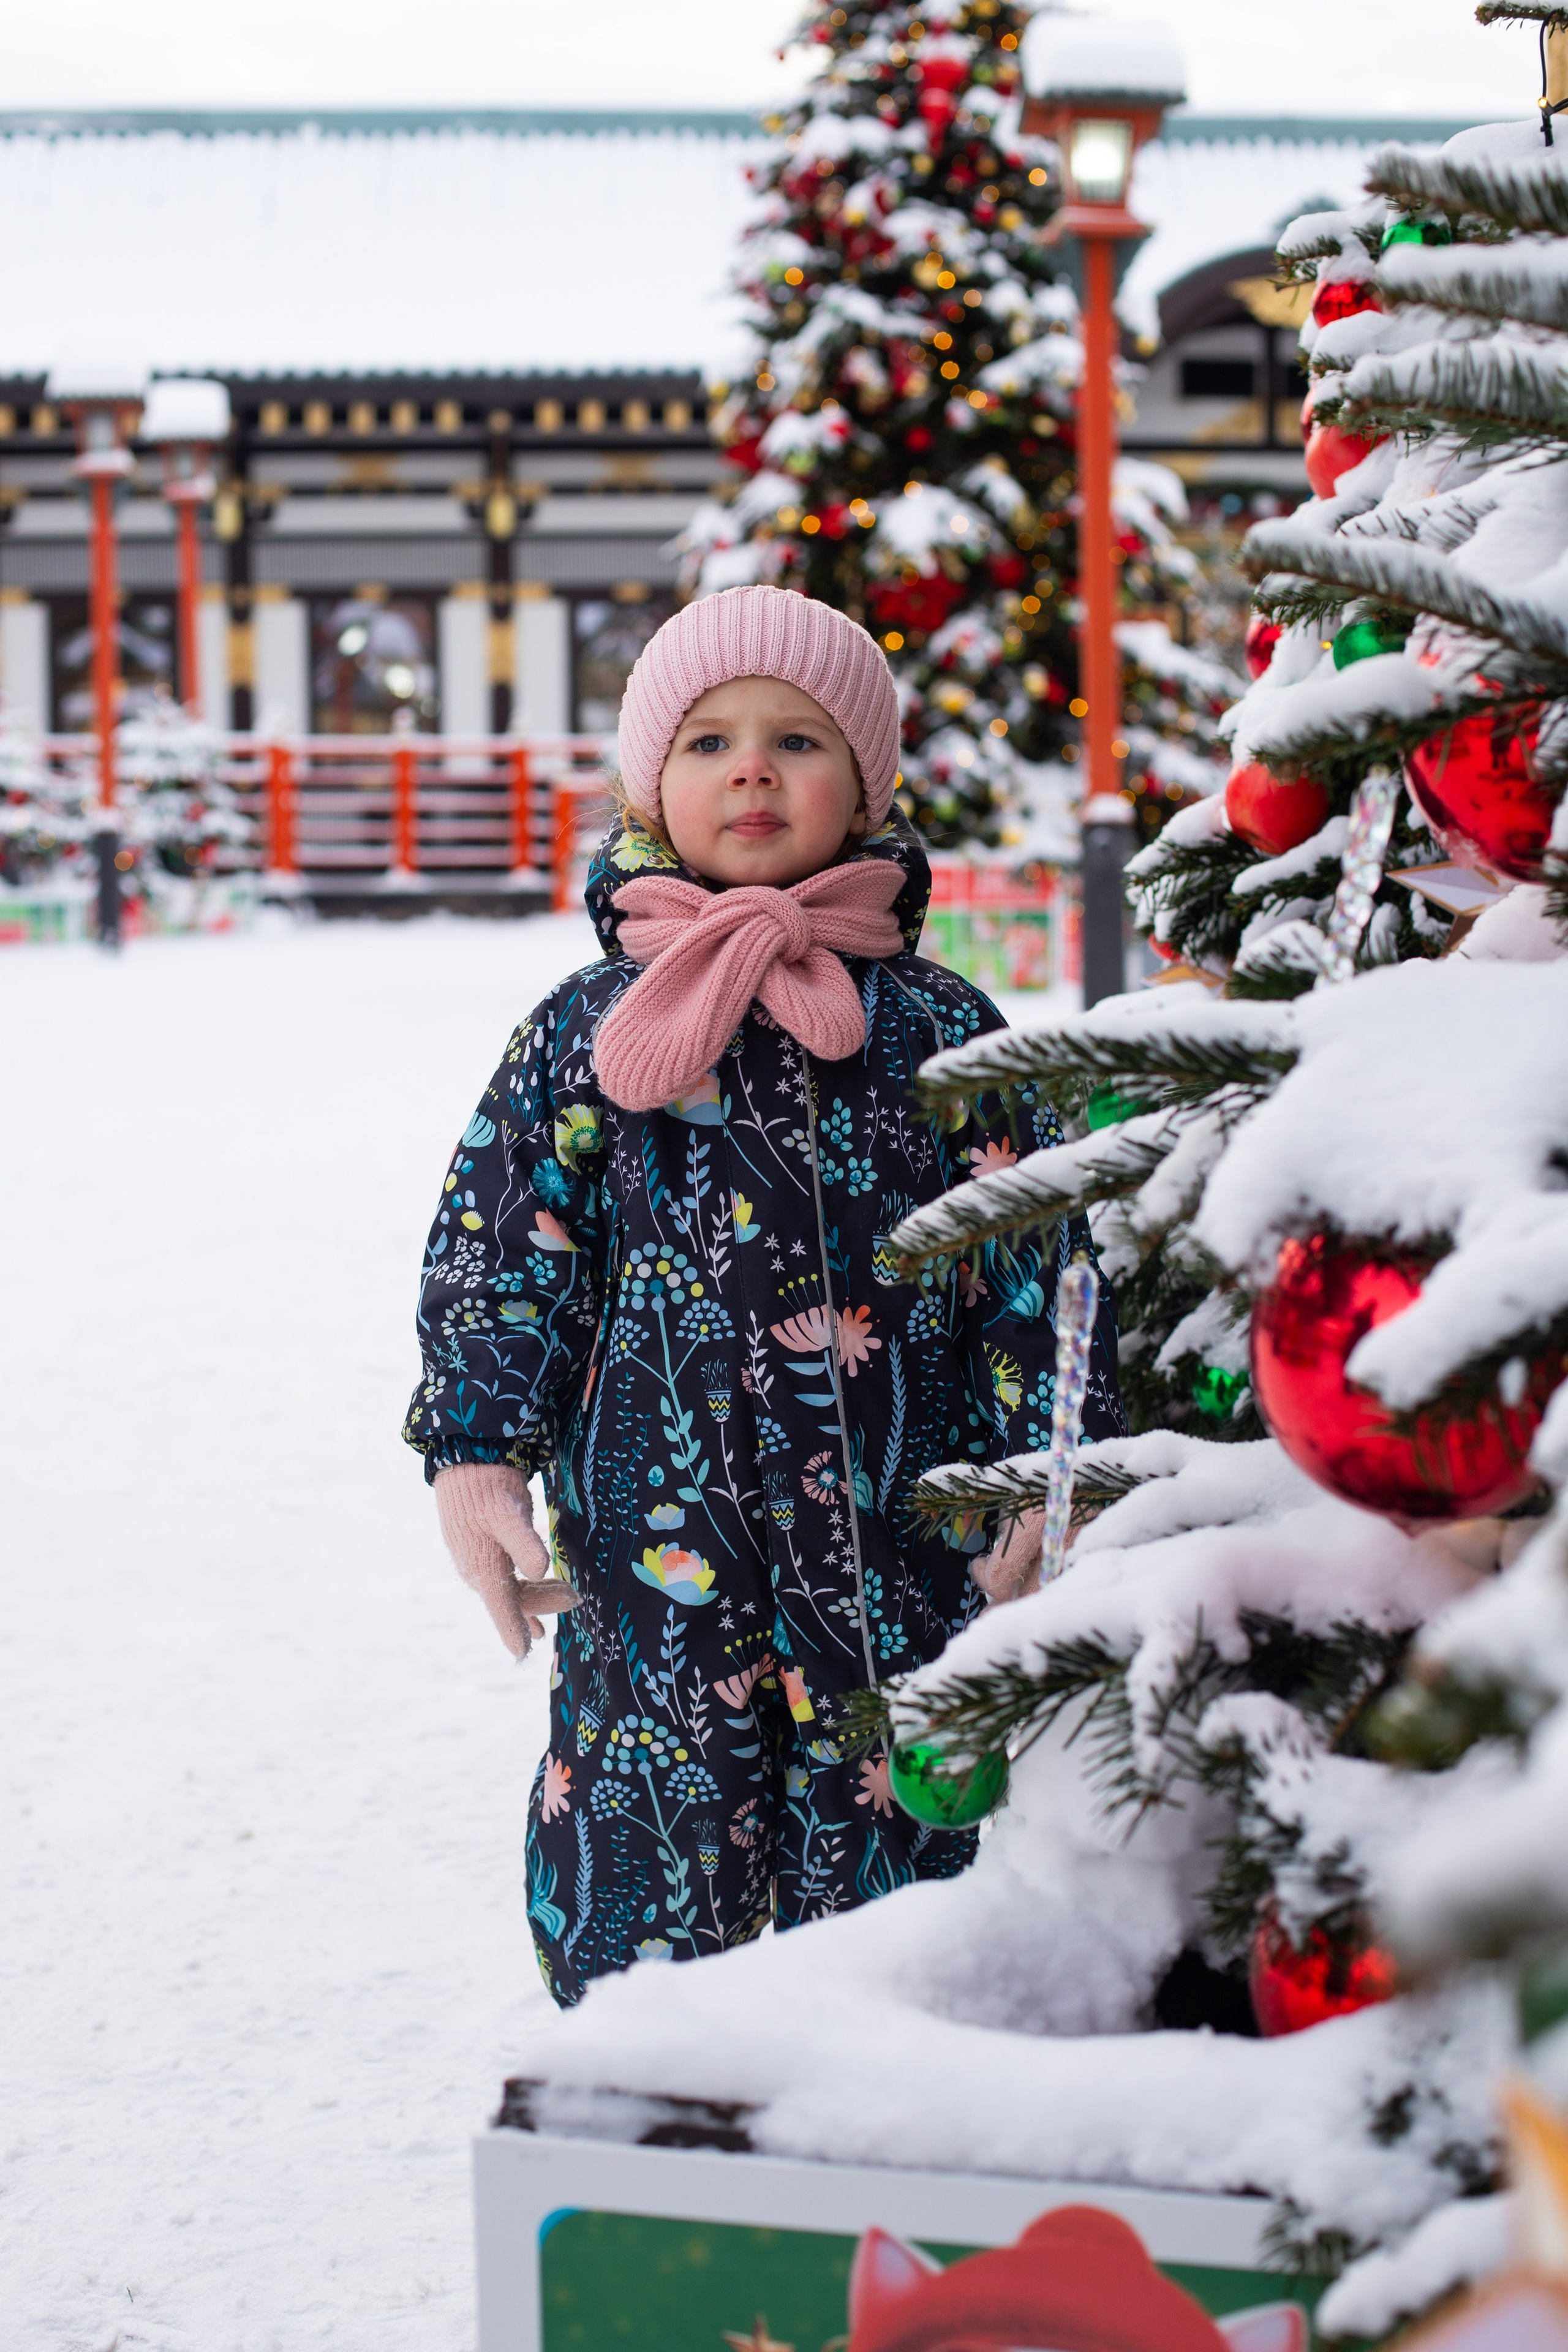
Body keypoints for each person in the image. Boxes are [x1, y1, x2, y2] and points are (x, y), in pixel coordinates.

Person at [404, 585, 1123, 2005]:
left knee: (907, 1860)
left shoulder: (941, 1028)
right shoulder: (584, 1032)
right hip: (658, 1552)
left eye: (796, 740)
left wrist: (1048, 1475)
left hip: (904, 1548)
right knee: (648, 1853)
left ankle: (895, 2102)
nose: (750, 769)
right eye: (709, 740)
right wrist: (475, 1458)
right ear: (648, 787)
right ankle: (652, 2096)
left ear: (863, 788)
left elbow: (1033, 1263)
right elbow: (503, 1251)